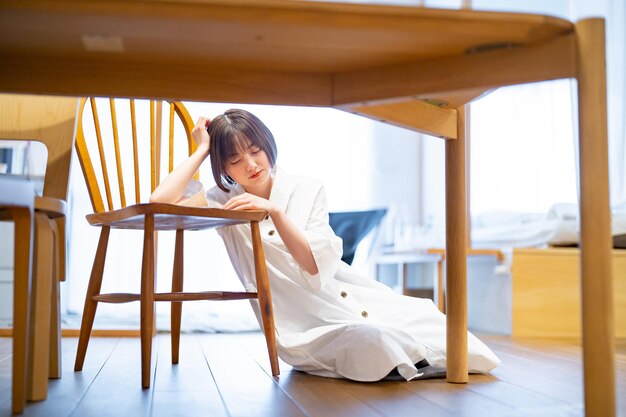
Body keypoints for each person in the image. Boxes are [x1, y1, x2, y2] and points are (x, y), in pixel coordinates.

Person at [150, 108, 500, 381]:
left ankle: (416, 362)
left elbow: (314, 266)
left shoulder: (307, 188)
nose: (252, 165)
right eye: (236, 161)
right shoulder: (223, 202)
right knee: (371, 339)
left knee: (434, 322)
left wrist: (274, 210)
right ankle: (410, 364)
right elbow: (158, 202)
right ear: (224, 168)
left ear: (268, 145)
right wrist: (202, 149)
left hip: (349, 292)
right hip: (305, 326)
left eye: (255, 151)